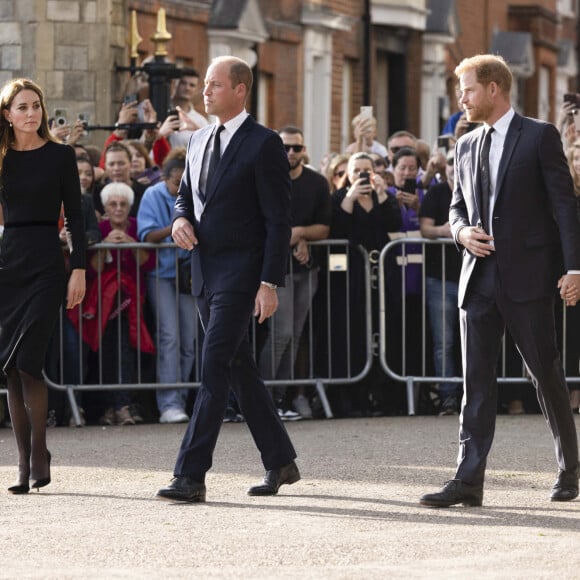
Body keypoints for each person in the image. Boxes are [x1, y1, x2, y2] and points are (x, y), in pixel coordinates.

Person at [420, 54, 580, 508]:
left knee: (545, 375)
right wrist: (461, 232)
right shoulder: (466, 144)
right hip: (478, 281)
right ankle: (468, 480)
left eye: (467, 89)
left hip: (529, 278)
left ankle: (570, 467)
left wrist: (574, 268)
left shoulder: (539, 136)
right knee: (476, 382)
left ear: (494, 89)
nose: (461, 99)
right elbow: (455, 209)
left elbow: (564, 206)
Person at [155, 56, 299, 503]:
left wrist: (269, 282)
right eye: (205, 84)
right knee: (239, 368)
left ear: (240, 89)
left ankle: (190, 474)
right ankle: (280, 460)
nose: (205, 91)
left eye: (215, 85)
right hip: (204, 270)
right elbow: (185, 196)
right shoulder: (197, 140)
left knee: (214, 365)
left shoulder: (264, 143)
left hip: (243, 273)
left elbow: (279, 221)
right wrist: (180, 220)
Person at [0, 78, 86, 494]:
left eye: (36, 106)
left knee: (29, 362)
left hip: (48, 264)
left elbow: (77, 219)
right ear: (7, 115)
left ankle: (39, 453)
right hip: (7, 265)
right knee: (11, 369)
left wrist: (80, 269)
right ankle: (22, 462)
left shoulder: (60, 156)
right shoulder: (0, 160)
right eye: (22, 107)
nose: (31, 113)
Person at [258, 125, 331, 420]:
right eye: (285, 147)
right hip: (275, 271)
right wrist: (293, 237)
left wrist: (300, 234)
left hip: (306, 270)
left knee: (295, 335)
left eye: (296, 148)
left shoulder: (316, 182)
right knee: (281, 334)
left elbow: (324, 227)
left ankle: (279, 398)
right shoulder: (266, 179)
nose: (290, 153)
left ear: (304, 150)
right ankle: (263, 399)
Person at [329, 152, 402, 416]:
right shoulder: (339, 198)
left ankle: (385, 398)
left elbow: (395, 224)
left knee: (385, 333)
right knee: (353, 334)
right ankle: (352, 400)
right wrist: (350, 197)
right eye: (356, 169)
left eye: (366, 170)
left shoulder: (384, 197)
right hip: (350, 278)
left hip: (381, 276)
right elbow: (336, 229)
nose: (362, 174)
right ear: (347, 174)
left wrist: (382, 196)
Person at [137, 150, 197, 424]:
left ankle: (181, 400)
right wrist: (176, 225)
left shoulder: (195, 194)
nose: (180, 188)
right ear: (164, 178)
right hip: (161, 275)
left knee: (188, 340)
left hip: (187, 275)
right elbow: (146, 235)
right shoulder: (152, 195)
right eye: (176, 183)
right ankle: (168, 403)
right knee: (169, 336)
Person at [419, 150, 462, 414]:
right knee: (442, 342)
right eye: (452, 166)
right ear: (445, 168)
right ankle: (447, 396)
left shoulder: (478, 191)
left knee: (475, 340)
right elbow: (425, 229)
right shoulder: (436, 194)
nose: (456, 171)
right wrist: (444, 231)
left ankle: (475, 394)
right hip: (439, 279)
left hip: (473, 277)